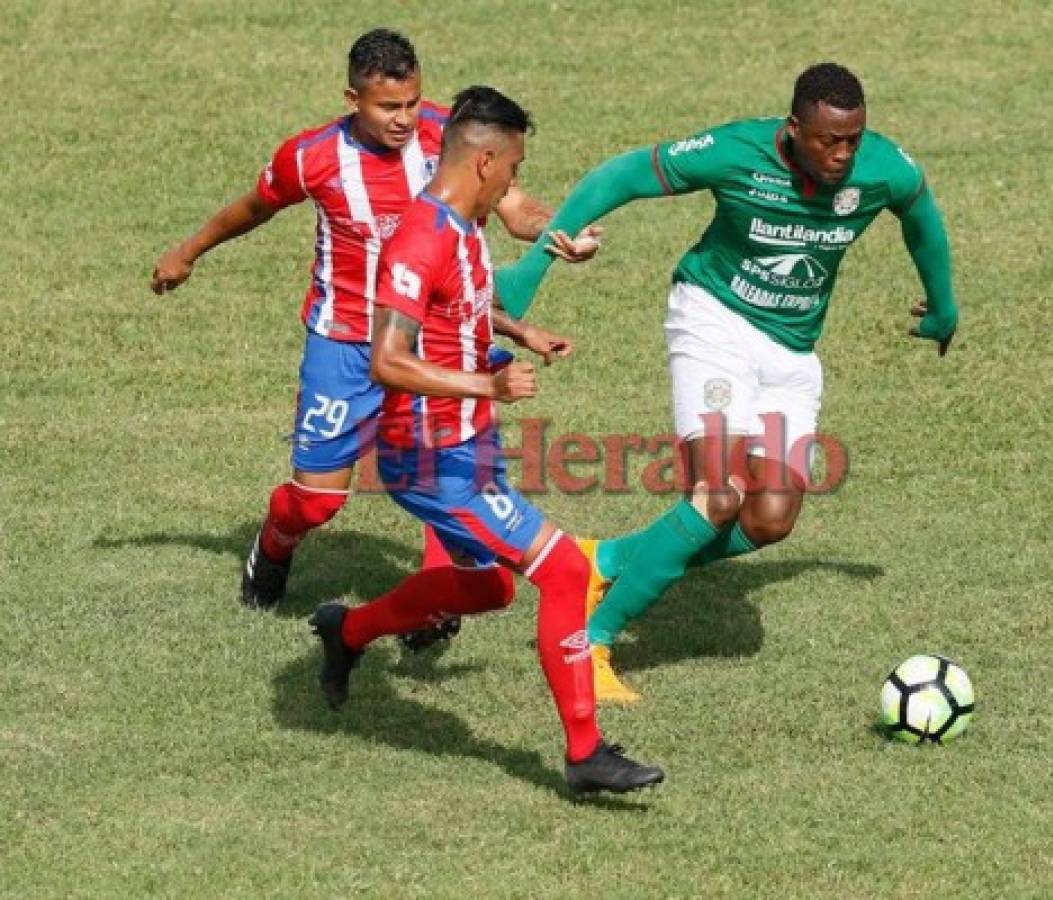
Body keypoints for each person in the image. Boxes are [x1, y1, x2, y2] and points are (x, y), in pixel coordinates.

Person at [496, 63, 959, 702]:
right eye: (828, 140)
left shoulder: (883, 168)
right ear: (794, 129)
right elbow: (623, 175)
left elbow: (920, 214)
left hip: (792, 353)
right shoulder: (736, 151)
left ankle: (608, 561)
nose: (843, 154)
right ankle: (591, 641)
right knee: (717, 496)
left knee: (770, 518)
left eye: (853, 138)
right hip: (712, 324)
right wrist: (531, 268)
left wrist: (943, 306)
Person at [149, 28, 600, 612]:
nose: (405, 119)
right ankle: (274, 544)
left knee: (447, 469)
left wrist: (561, 230)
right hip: (345, 344)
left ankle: (441, 601)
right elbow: (255, 206)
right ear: (352, 99)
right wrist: (188, 251)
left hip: (427, 341)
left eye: (412, 102)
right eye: (389, 106)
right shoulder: (312, 158)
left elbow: (514, 207)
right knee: (318, 502)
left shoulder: (446, 133)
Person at [308, 86, 664, 795]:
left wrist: (517, 330)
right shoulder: (420, 237)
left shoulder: (462, 225)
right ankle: (585, 754)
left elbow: (461, 305)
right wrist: (491, 388)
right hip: (431, 455)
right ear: (486, 159)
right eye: (513, 167)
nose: (513, 184)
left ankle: (346, 632)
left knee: (489, 587)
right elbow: (386, 358)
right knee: (563, 572)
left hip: (464, 445)